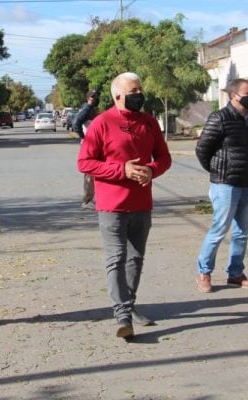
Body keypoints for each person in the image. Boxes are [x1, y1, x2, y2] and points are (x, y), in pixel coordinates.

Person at [77, 72, 172, 340]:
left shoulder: (149, 122)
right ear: (117, 95)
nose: (139, 95)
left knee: (135, 258)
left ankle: (128, 307)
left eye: (140, 89)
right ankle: (122, 315)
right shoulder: (101, 123)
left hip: (142, 203)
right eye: (133, 91)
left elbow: (164, 157)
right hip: (112, 205)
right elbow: (85, 163)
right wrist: (122, 170)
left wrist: (152, 171)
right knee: (116, 258)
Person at [195, 79, 248, 293]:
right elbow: (202, 149)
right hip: (225, 184)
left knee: (242, 232)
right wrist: (217, 170)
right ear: (234, 95)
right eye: (247, 93)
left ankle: (235, 273)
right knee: (219, 229)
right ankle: (204, 273)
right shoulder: (219, 118)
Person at [72, 89, 99, 208]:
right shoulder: (87, 109)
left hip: (94, 143)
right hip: (89, 143)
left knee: (95, 171)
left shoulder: (91, 109)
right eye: (92, 97)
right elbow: (76, 123)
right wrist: (84, 137)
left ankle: (92, 198)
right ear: (88, 98)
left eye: (95, 96)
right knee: (90, 171)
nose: (94, 98)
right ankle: (87, 200)